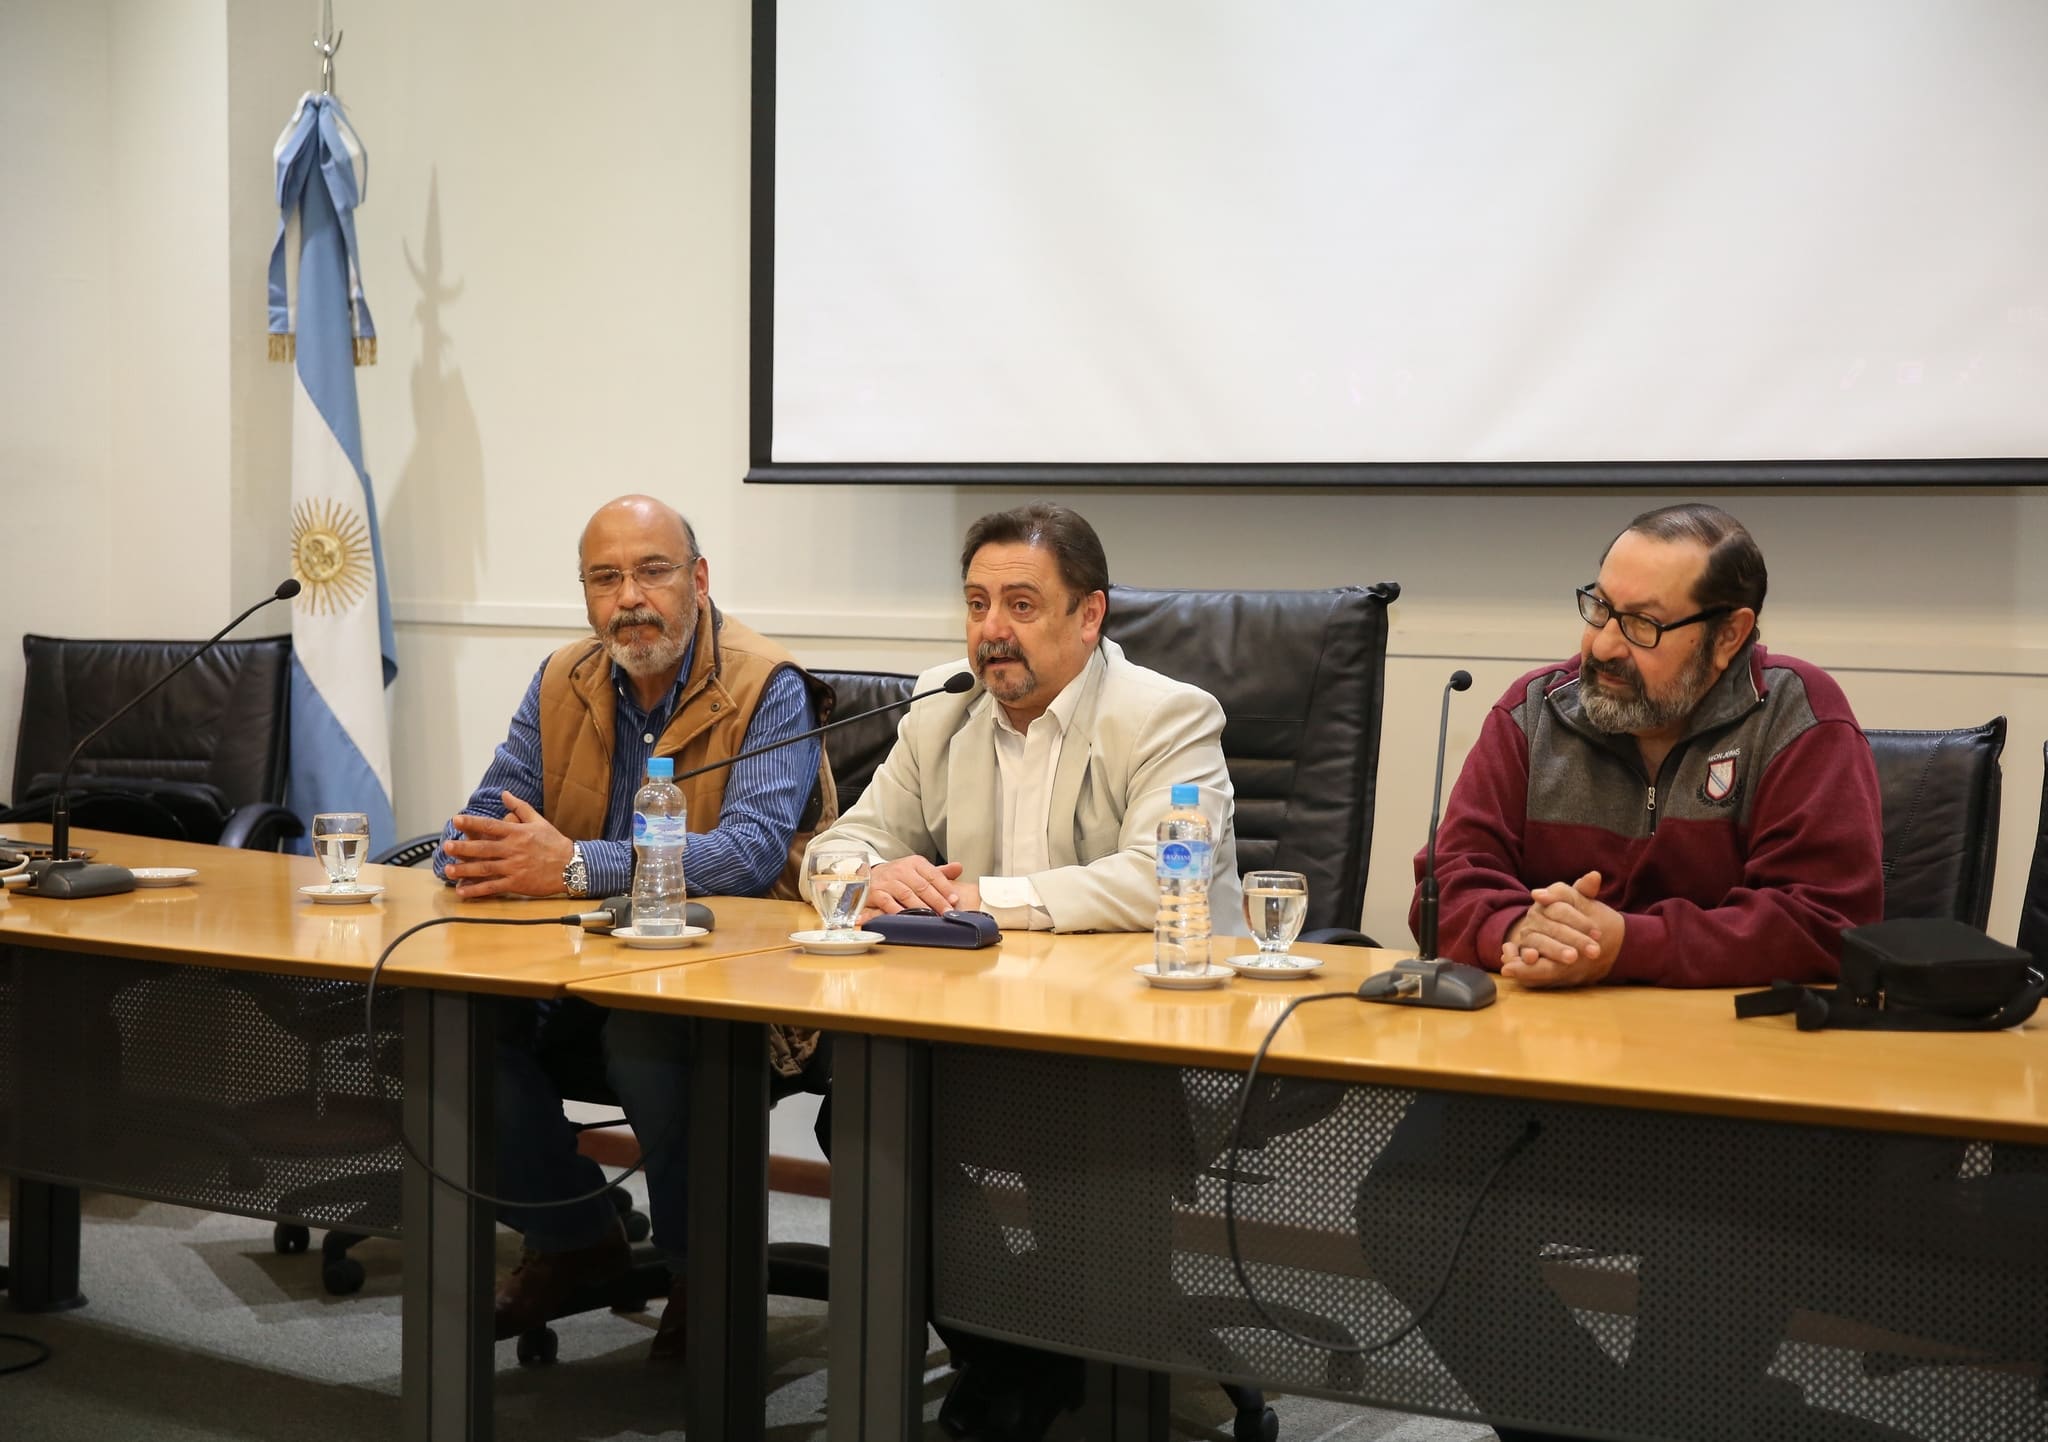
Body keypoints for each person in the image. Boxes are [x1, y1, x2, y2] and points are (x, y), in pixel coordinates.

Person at [1361, 504, 1888, 1441]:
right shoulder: (1535, 709)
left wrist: (1623, 944)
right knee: (1407, 1205)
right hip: (1556, 1083)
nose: (1603, 643)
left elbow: (1825, 924)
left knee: (1704, 1269)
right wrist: (1529, 930)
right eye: (1598, 608)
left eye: (1642, 625)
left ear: (1731, 636)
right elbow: (1451, 885)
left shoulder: (1800, 719)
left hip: (1740, 1107)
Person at [803, 502, 1244, 1441]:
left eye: (1020, 604)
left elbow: (1165, 875)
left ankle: (1053, 1358)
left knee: (1073, 1128)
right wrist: (869, 874)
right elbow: (838, 844)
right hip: (984, 1033)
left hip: (1142, 1044)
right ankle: (1010, 1351)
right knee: (865, 1108)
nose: (991, 630)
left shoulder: (1167, 715)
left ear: (1089, 617)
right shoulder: (942, 707)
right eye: (975, 603)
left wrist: (982, 901)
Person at [434, 494, 835, 1359]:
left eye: (652, 572)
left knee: (646, 1039)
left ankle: (707, 1273)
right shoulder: (560, 680)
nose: (630, 599)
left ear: (696, 580)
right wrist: (475, 858)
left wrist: (575, 865)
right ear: (584, 594)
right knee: (446, 1021)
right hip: (574, 963)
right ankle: (577, 1235)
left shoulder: (769, 684)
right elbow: (481, 819)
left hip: (722, 983)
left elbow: (752, 855)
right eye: (605, 578)